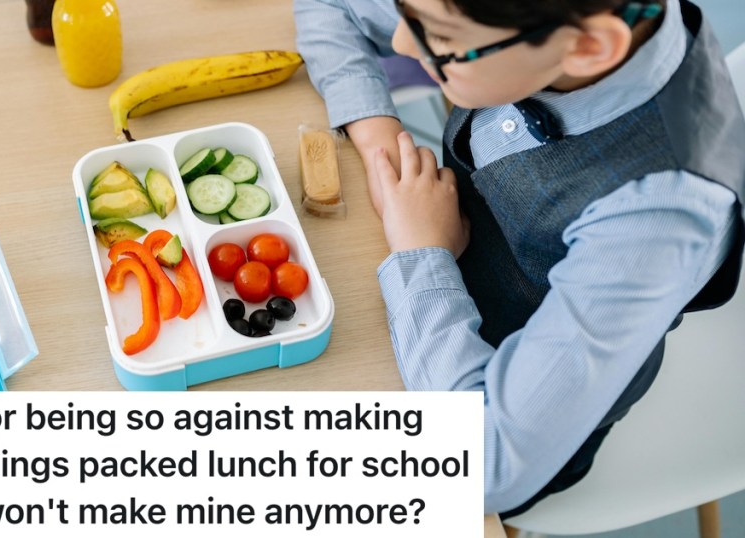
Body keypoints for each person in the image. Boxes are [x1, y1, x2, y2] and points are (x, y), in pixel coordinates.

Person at [295, 0, 745, 519]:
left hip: (494, 400)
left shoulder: (652, 216)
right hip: (426, 267)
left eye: (439, 39)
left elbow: (484, 466)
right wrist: (378, 141)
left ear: (589, 47)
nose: (400, 43)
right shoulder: (537, 23)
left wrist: (424, 252)